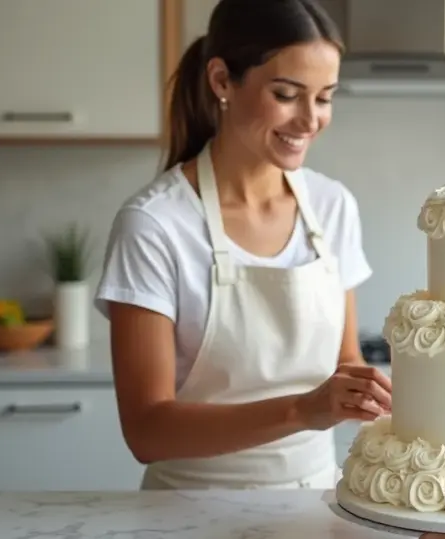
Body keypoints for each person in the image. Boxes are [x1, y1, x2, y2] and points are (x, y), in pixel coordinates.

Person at [94, 0, 392, 490]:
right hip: (190, 512)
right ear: (221, 81)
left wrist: (381, 397)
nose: (310, 119)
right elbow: (147, 431)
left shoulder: (332, 205)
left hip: (316, 502)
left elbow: (346, 362)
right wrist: (303, 409)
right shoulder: (154, 225)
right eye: (287, 94)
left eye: (324, 98)